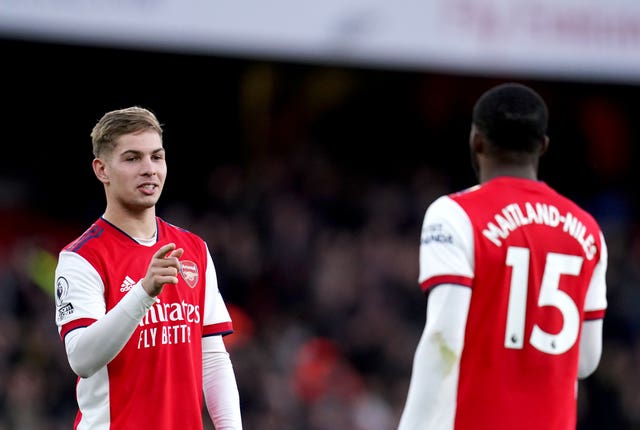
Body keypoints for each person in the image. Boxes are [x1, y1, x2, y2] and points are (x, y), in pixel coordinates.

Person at [397, 83, 607, 430]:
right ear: (543, 146)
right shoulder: (588, 230)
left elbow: (443, 338)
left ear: (476, 140)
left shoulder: (454, 215)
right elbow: (586, 360)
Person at [54, 106, 243, 429]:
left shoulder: (193, 248)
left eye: (157, 157)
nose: (149, 169)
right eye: (132, 158)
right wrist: (144, 292)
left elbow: (212, 358)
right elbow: (82, 359)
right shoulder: (81, 257)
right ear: (102, 170)